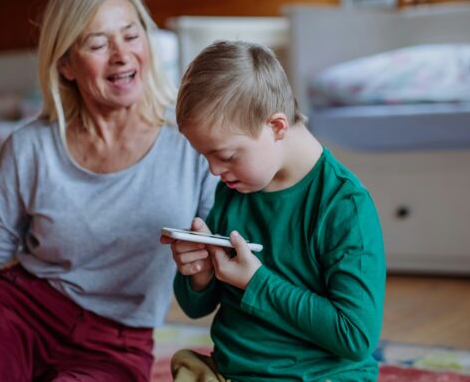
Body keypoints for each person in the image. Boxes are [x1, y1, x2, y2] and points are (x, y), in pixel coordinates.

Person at [0, 0, 217, 382]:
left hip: (118, 340)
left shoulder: (191, 142)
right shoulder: (29, 147)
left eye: (132, 35)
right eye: (98, 43)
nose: (122, 55)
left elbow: (216, 262)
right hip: (25, 311)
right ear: (66, 63)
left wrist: (204, 271)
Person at [162, 40, 387, 382]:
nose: (213, 171)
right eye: (204, 156)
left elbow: (355, 336)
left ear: (276, 127)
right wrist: (199, 272)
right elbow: (196, 308)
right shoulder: (233, 190)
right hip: (232, 372)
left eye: (225, 155)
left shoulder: (344, 206)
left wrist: (256, 282)